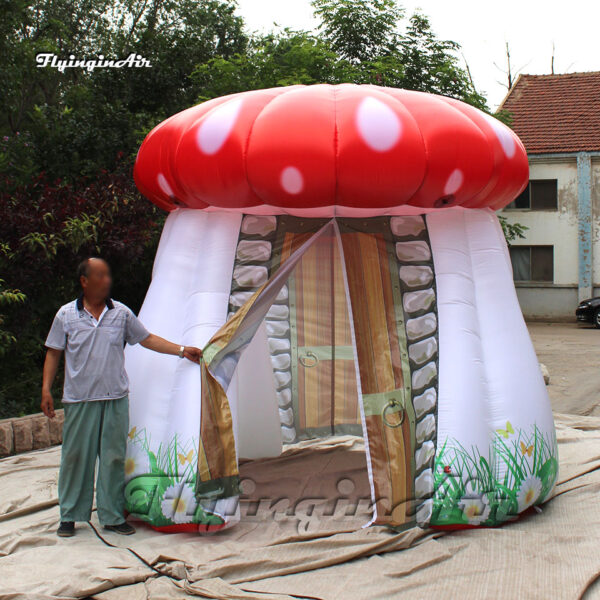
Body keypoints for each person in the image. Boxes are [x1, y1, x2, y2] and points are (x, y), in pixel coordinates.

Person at [41, 257, 202, 537]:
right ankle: (69, 515)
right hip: (79, 400)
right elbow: (54, 351)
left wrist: (181, 349)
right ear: (84, 281)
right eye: (100, 276)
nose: (107, 281)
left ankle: (112, 515)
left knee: (114, 458)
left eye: (107, 275)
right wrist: (46, 389)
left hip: (115, 398)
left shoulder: (121, 313)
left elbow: (146, 338)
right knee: (76, 458)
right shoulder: (66, 315)